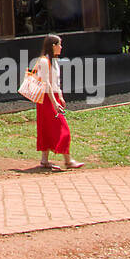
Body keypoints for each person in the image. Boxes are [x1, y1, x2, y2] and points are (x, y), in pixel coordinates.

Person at [35, 34, 84, 171]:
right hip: (46, 99)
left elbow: (56, 82)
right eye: (59, 44)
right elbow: (46, 84)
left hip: (53, 97)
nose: (61, 47)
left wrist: (60, 97)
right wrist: (54, 102)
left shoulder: (54, 61)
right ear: (53, 46)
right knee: (62, 128)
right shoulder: (44, 61)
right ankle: (68, 160)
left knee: (47, 127)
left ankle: (45, 160)